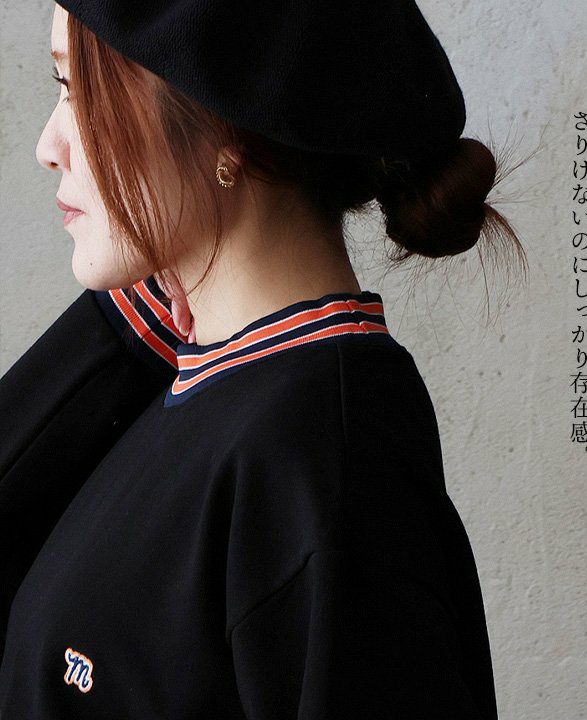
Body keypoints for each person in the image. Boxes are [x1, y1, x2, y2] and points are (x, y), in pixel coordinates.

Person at [0, 2, 526, 717]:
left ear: (225, 129)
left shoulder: (320, 463)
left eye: (79, 92)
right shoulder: (196, 381)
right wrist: (140, 318)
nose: (49, 145)